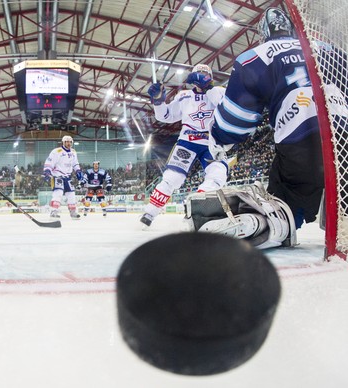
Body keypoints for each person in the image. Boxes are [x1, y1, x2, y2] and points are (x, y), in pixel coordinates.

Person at [188, 7, 325, 249]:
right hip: (342, 132)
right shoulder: (325, 49)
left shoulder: (255, 57)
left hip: (302, 138)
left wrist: (219, 140)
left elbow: (236, 121)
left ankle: (264, 224)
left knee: (287, 201)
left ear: (263, 34)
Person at [139, 63, 227, 227]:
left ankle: (200, 207)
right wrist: (158, 102)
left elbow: (225, 107)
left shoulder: (219, 92)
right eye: (199, 73)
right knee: (173, 177)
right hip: (187, 141)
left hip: (213, 142)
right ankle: (149, 213)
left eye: (205, 73)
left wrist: (208, 87)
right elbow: (166, 115)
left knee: (218, 174)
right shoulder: (184, 95)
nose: (202, 75)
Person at [43, 135, 84, 219]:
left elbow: (75, 163)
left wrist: (78, 171)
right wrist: (47, 171)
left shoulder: (73, 152)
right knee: (58, 193)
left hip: (67, 177)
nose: (69, 143)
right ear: (63, 142)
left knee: (71, 194)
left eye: (70, 142)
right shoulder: (57, 151)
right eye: (67, 142)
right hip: (57, 176)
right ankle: (53, 211)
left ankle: (73, 212)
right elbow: (49, 162)